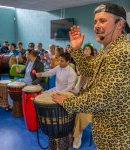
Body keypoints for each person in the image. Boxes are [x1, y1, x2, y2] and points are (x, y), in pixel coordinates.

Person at [52, 2, 130, 150]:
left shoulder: (122, 52)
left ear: (119, 24)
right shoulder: (108, 50)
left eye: (103, 21)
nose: (96, 26)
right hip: (107, 134)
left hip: (116, 139)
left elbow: (103, 97)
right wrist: (76, 50)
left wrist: (69, 102)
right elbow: (89, 73)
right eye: (95, 22)